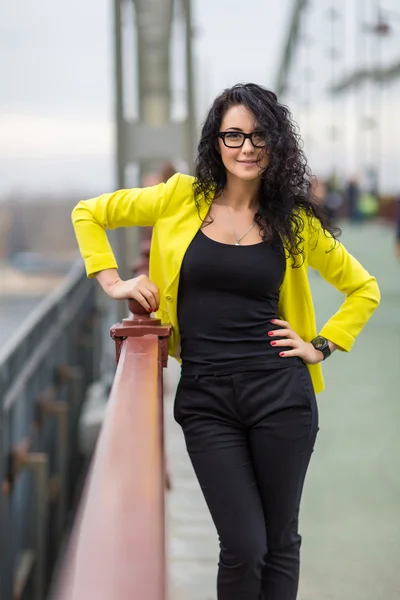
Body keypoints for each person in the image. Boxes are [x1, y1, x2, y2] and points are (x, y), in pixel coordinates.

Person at [71, 83, 380, 600]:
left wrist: (321, 345)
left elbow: (362, 289)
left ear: (275, 143)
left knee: (280, 542)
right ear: (215, 141)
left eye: (259, 136)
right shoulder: (179, 198)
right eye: (233, 135)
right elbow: (89, 213)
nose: (246, 147)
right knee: (243, 546)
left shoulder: (294, 222)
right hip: (208, 400)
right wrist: (114, 281)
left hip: (281, 396)